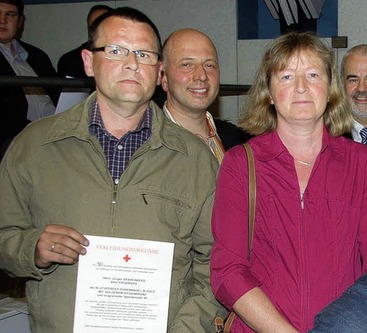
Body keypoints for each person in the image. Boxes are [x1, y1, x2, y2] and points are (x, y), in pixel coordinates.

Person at [0, 7, 226, 332]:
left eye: (144, 54)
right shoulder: (34, 147)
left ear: (158, 69)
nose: (132, 64)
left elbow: (214, 262)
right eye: (117, 50)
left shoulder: (195, 160)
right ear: (89, 62)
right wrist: (30, 248)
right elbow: (4, 235)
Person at [210, 31, 367, 332]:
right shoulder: (240, 164)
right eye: (286, 77)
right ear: (269, 92)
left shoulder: (361, 164)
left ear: (330, 89)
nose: (300, 87)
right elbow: (227, 271)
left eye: (312, 74)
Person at [160, 28, 250, 165]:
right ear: (164, 77)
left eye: (209, 65)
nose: (201, 76)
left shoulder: (242, 143)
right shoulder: (145, 145)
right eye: (186, 65)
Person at [0, 0, 59, 149]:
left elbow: (57, 94)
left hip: (54, 132)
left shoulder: (37, 55)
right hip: (13, 140)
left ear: (20, 21)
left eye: (10, 14)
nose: (2, 20)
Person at [57, 4, 111, 78]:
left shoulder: (126, 57)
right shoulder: (70, 61)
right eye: (94, 27)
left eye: (103, 26)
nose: (98, 31)